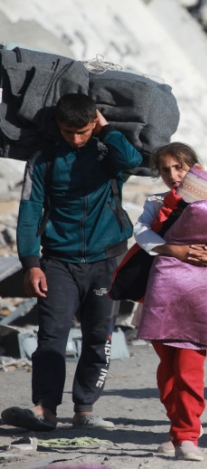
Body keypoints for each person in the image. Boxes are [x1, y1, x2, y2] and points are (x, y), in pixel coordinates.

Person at [1, 94, 141, 432]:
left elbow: (132, 159)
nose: (75, 139)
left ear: (93, 122)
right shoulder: (44, 160)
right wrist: (31, 262)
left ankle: (85, 409)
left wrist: (106, 131)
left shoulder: (108, 155)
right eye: (67, 132)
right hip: (58, 262)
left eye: (82, 131)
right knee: (51, 337)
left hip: (107, 260)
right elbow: (30, 210)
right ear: (58, 127)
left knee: (99, 336)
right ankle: (45, 410)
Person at [132, 143, 207, 461]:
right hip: (163, 295)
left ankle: (188, 436)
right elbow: (142, 234)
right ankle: (178, 426)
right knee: (168, 368)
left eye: (179, 167)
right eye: (165, 169)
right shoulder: (156, 204)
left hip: (202, 297)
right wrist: (176, 250)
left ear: (193, 167)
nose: (172, 175)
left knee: (189, 367)